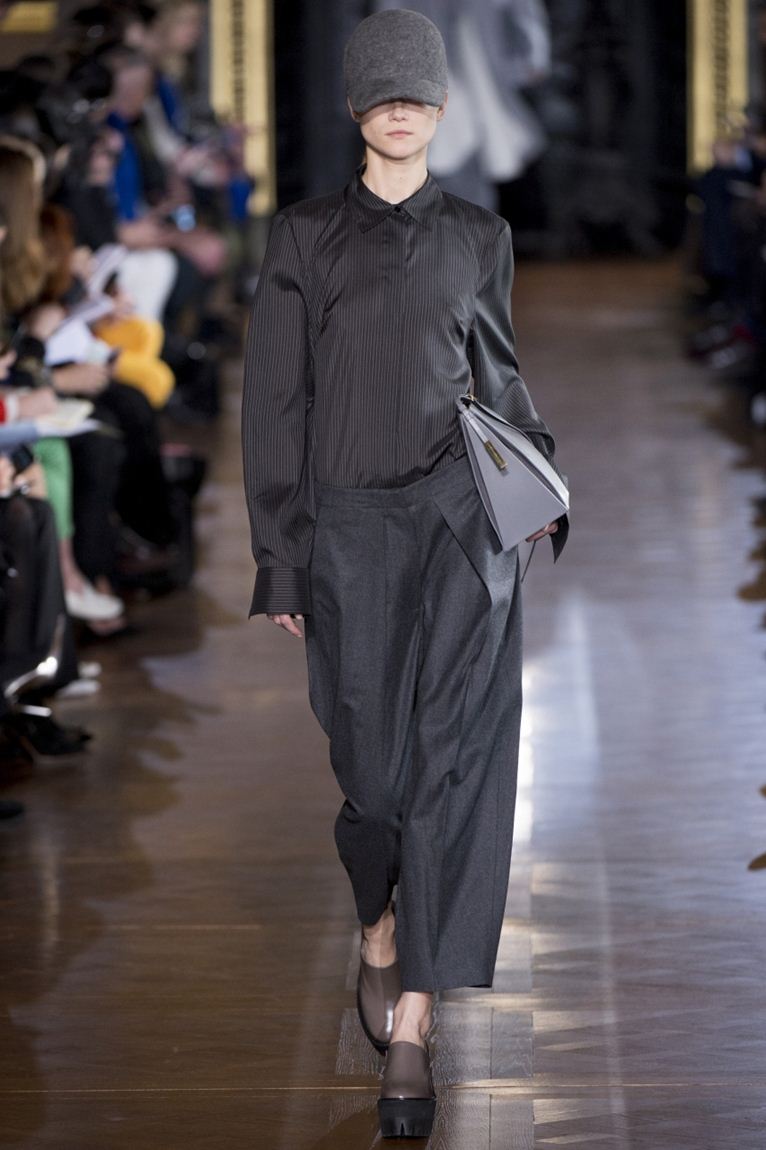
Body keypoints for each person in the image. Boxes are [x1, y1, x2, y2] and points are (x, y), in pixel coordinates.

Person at [241, 9, 568, 1139]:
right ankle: (376, 925)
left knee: (444, 775)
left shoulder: (480, 235)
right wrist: (281, 560)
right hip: (346, 535)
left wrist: (537, 486)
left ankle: (416, 1029)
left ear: (440, 108)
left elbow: (500, 378)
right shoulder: (303, 239)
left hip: (457, 530)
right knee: (372, 780)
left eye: (415, 94)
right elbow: (273, 409)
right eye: (381, 93)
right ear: (354, 109)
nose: (399, 109)